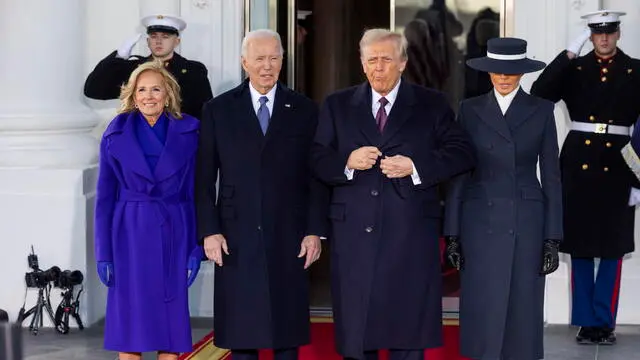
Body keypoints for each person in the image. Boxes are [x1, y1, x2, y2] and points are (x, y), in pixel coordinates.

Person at [311, 28, 476, 360]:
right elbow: (315, 157)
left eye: (386, 59)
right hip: (354, 234)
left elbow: (462, 153)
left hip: (410, 234)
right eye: (371, 60)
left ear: (403, 62)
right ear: (361, 63)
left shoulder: (431, 103)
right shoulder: (337, 105)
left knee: (407, 331)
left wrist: (415, 166)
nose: (378, 67)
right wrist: (346, 162)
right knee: (358, 333)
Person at [195, 29, 328, 360]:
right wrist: (209, 230)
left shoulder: (305, 109)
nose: (267, 66)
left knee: (287, 329)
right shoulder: (218, 110)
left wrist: (314, 230)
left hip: (289, 232)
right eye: (259, 59)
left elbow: (316, 176)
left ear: (283, 61)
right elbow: (203, 177)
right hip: (235, 235)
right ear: (244, 62)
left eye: (273, 58)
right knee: (242, 330)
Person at [443, 37, 562, 360]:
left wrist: (552, 238)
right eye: (497, 70)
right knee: (483, 301)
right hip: (479, 220)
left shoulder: (541, 110)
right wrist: (452, 234)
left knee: (523, 302)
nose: (504, 77)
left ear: (522, 73)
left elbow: (551, 177)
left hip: (527, 221)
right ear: (488, 72)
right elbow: (459, 173)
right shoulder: (470, 109)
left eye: (511, 71)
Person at [530, 10, 640, 345]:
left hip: (621, 163)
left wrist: (639, 175)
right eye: (597, 33)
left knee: (611, 248)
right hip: (578, 163)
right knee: (579, 245)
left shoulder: (636, 70)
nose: (603, 39)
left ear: (618, 34)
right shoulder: (575, 68)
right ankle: (585, 321)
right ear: (590, 36)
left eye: (609, 32)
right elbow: (539, 93)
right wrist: (566, 55)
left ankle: (604, 322)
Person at [94, 60, 203, 360]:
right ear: (132, 94)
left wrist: (195, 248)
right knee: (129, 330)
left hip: (174, 233)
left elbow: (196, 194)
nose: (148, 96)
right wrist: (103, 253)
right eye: (142, 89)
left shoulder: (190, 132)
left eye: (156, 89)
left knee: (170, 328)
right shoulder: (114, 133)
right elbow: (104, 198)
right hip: (128, 235)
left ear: (168, 93)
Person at [84, 14, 213, 119]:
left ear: (176, 41)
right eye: (153, 36)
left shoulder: (193, 70)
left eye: (165, 37)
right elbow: (93, 90)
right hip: (141, 138)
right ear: (147, 41)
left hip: (179, 139)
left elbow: (206, 112)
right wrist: (119, 57)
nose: (158, 41)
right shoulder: (133, 69)